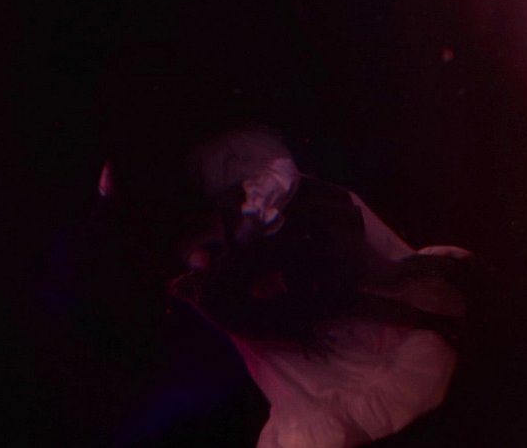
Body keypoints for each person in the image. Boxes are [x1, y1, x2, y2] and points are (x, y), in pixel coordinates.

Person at [170, 124, 477, 447]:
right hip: (288, 306)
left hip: (305, 280)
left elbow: (338, 268)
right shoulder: (225, 274)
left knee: (359, 318)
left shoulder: (275, 216)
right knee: (323, 361)